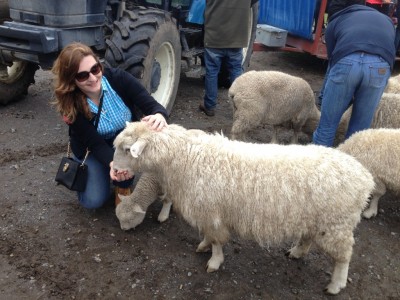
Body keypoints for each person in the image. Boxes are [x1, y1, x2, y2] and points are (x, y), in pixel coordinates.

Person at [52, 42, 168, 209]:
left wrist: (159, 114)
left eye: (95, 69)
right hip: (91, 149)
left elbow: (150, 104)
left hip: (121, 141)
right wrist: (112, 163)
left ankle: (123, 184)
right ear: (71, 80)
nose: (93, 78)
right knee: (93, 202)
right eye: (83, 76)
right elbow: (95, 144)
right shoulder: (71, 105)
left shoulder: (119, 79)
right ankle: (97, 174)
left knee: (125, 171)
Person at [312, 0, 395, 147]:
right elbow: (390, 51)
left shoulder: (336, 20)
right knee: (359, 131)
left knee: (327, 126)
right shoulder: (386, 20)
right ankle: (352, 165)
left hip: (347, 61)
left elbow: (333, 59)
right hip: (380, 66)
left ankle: (317, 166)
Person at [199, 0, 255, 117]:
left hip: (214, 36)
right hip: (236, 37)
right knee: (236, 71)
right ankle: (240, 108)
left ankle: (209, 106)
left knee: (212, 72)